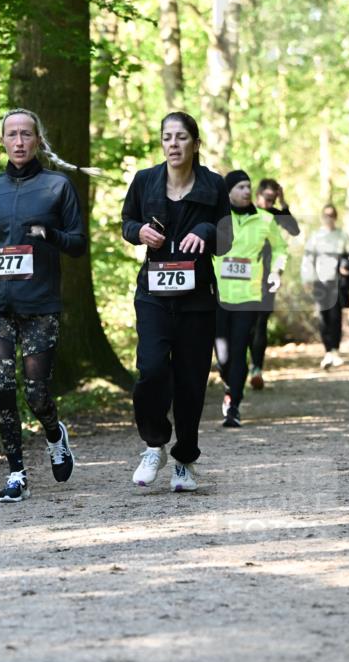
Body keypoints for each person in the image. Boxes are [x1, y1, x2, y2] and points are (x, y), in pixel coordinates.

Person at [0, 108, 92, 502]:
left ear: (37, 141)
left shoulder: (56, 186)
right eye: (12, 134)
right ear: (3, 140)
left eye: (26, 134)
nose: (18, 141)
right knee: (1, 388)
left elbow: (78, 243)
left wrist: (50, 233)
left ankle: (54, 433)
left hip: (40, 305)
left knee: (35, 394)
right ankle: (16, 471)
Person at [121, 111, 231, 491]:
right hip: (153, 294)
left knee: (190, 383)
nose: (173, 144)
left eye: (181, 137)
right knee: (151, 370)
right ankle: (155, 444)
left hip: (197, 299)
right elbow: (126, 223)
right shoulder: (145, 181)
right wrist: (140, 232)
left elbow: (227, 237)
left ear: (195, 143)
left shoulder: (214, 186)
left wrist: (205, 230)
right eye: (167, 137)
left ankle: (184, 458)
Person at [213, 171, 288, 427]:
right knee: (222, 356)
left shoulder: (266, 219)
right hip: (218, 295)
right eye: (240, 187)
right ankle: (228, 384)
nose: (246, 191)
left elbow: (280, 248)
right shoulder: (217, 218)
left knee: (239, 350)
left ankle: (234, 404)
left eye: (248, 186)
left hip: (249, 296)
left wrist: (276, 270)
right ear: (228, 192)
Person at [248, 178, 300, 389]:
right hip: (242, 277)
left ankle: (256, 369)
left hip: (268, 276)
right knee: (246, 324)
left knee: (261, 322)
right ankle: (239, 369)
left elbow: (294, 230)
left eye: (273, 199)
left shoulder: (276, 215)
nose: (269, 203)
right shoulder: (246, 212)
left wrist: (284, 203)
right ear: (258, 195)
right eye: (267, 198)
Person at [301, 205, 349, 369]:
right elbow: (308, 260)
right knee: (323, 317)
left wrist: (347, 266)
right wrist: (307, 279)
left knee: (335, 317)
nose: (329, 218)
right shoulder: (315, 237)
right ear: (322, 217)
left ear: (335, 217)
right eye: (326, 215)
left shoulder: (342, 236)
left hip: (337, 283)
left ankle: (335, 351)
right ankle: (327, 352)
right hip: (320, 282)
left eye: (332, 215)